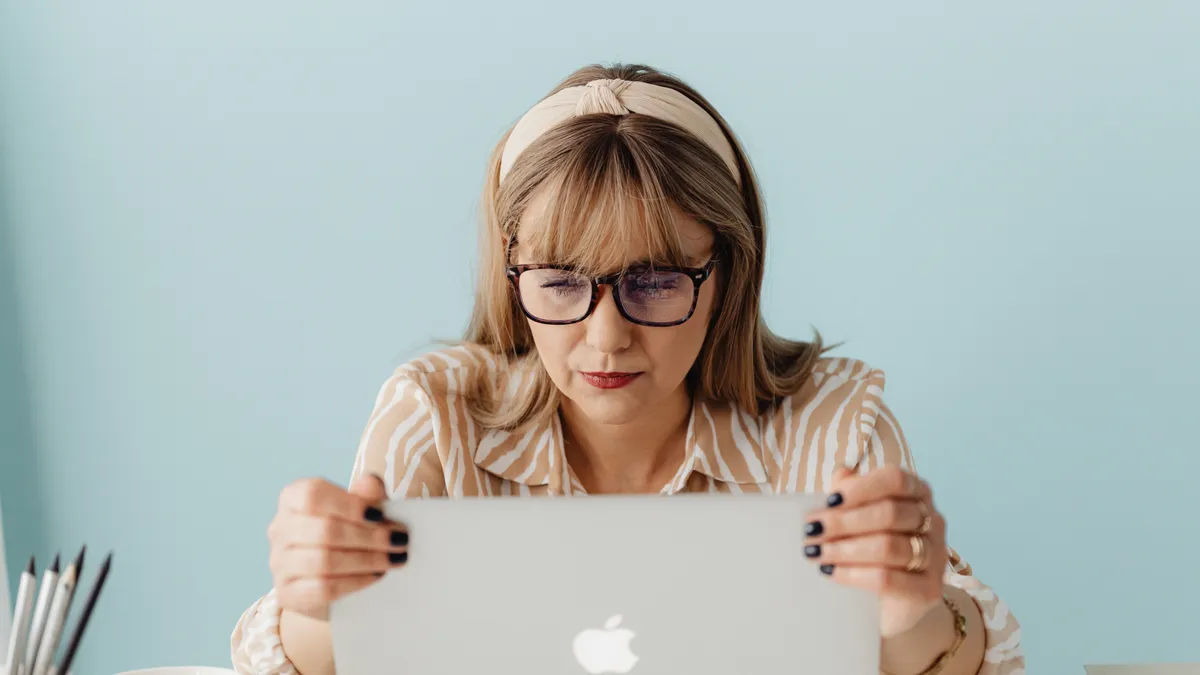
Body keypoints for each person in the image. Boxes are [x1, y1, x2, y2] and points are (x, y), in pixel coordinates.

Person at [230, 63, 1023, 675]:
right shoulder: (432, 414)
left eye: (654, 280)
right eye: (560, 281)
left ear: (728, 275)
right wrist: (319, 607)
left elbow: (963, 655)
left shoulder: (835, 426)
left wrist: (909, 615)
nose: (605, 338)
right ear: (511, 272)